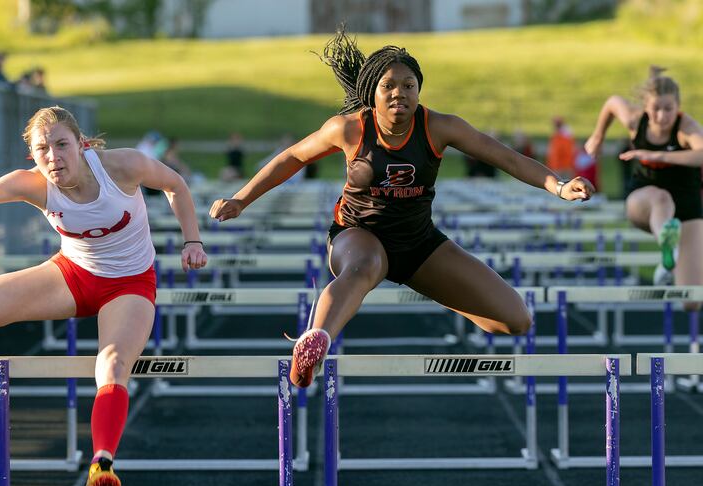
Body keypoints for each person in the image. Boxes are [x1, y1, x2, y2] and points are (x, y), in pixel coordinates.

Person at [210, 29, 595, 388]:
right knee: (365, 267)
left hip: (418, 244)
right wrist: (242, 198)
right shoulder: (349, 129)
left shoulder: (440, 127)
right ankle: (315, 340)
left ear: (419, 91)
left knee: (516, 320)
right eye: (389, 86)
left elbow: (505, 158)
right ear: (372, 94)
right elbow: (293, 157)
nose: (399, 93)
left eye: (408, 86)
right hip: (358, 235)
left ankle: (438, 289)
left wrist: (558, 186)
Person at [0, 106, 208, 486]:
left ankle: (102, 460)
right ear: (33, 156)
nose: (53, 157)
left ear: (81, 145)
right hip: (72, 276)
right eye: (42, 149)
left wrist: (192, 240)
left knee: (111, 364)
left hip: (128, 284)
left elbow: (175, 185)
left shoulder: (122, 166)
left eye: (61, 145)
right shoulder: (36, 182)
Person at [585, 66, 703, 291]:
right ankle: (668, 244)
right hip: (644, 202)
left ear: (678, 107)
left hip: (687, 208)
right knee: (661, 198)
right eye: (656, 109)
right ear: (645, 108)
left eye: (668, 109)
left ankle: (668, 264)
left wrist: (658, 155)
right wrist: (598, 135)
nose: (662, 116)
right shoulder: (635, 120)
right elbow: (612, 102)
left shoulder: (686, 128)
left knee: (692, 300)